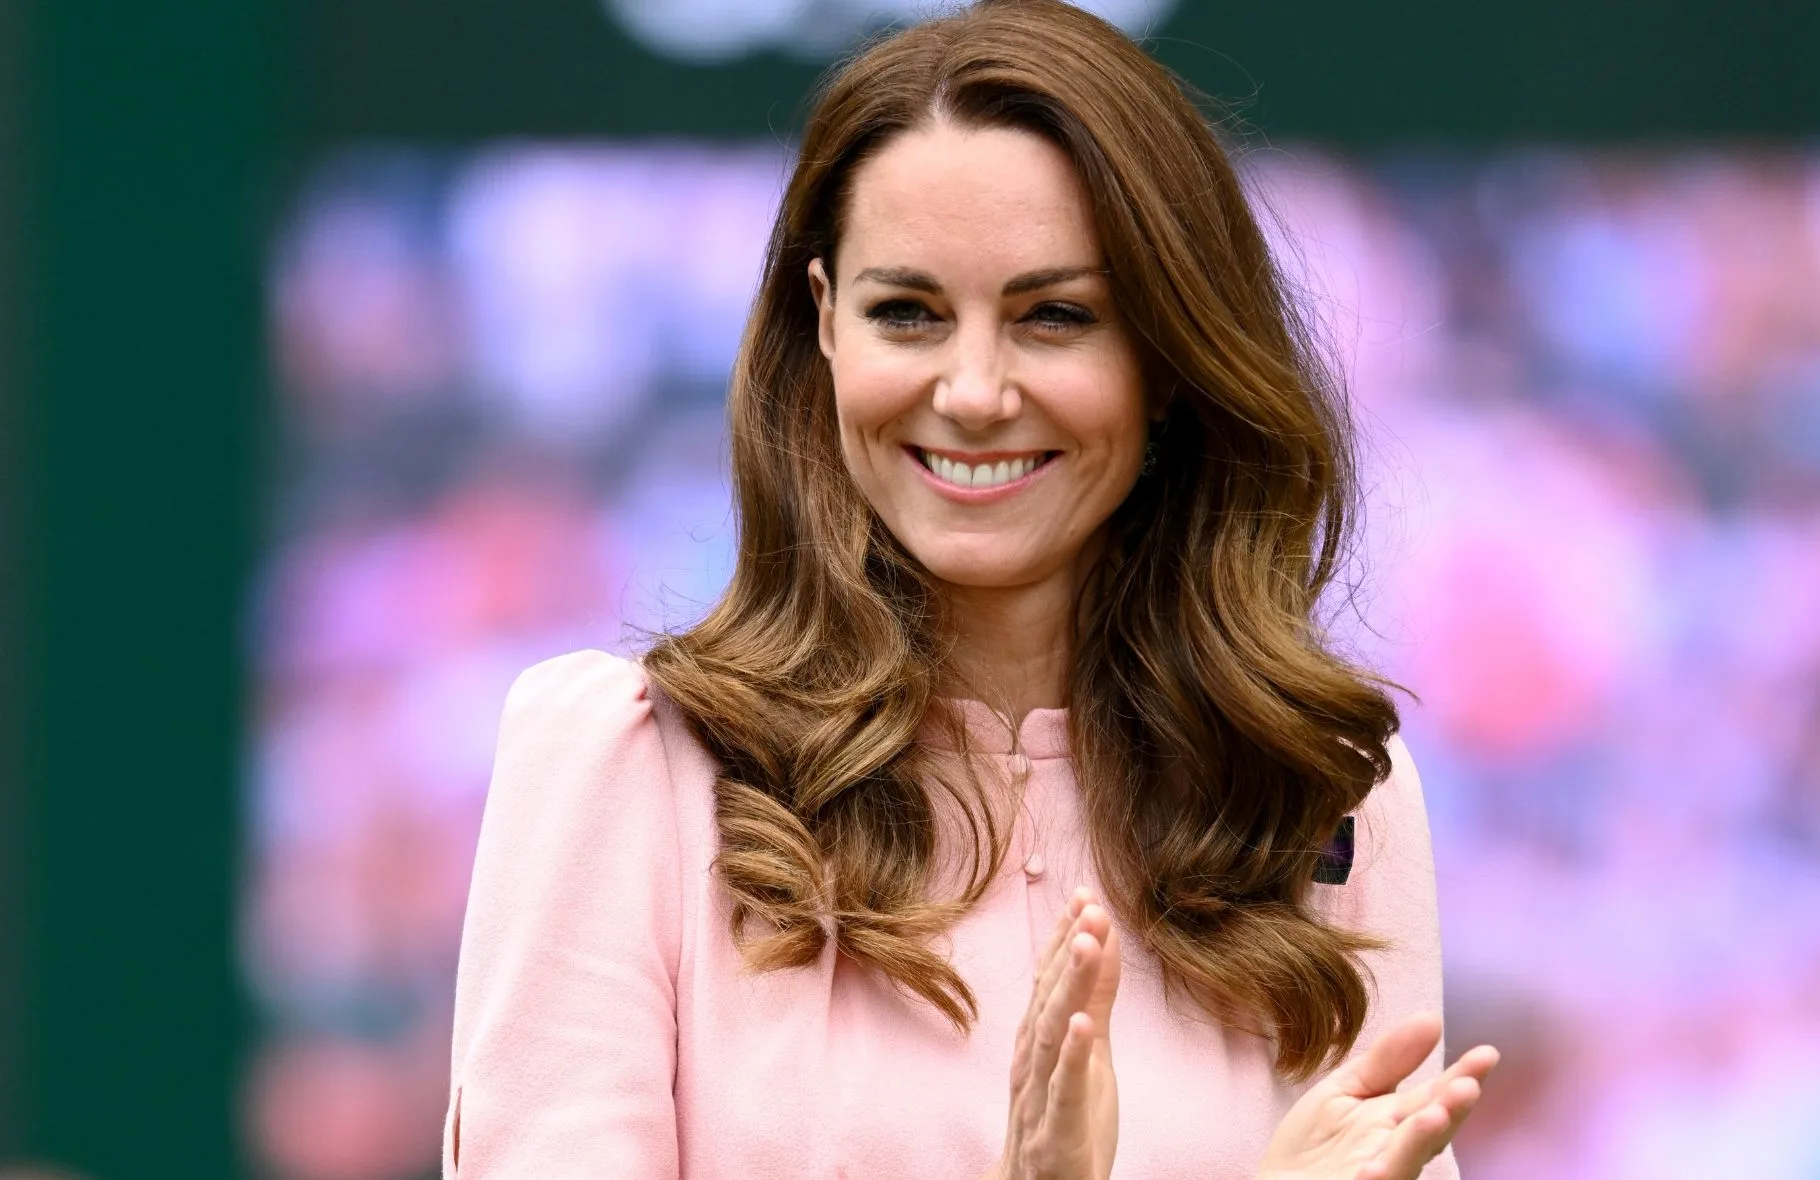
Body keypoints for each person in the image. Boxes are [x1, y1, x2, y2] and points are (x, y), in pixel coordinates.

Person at [441, 1, 1500, 1176]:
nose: (977, 389)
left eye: (1056, 317)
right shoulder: (628, 771)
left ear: (1169, 355)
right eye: (910, 313)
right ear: (823, 323)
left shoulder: (1317, 793)